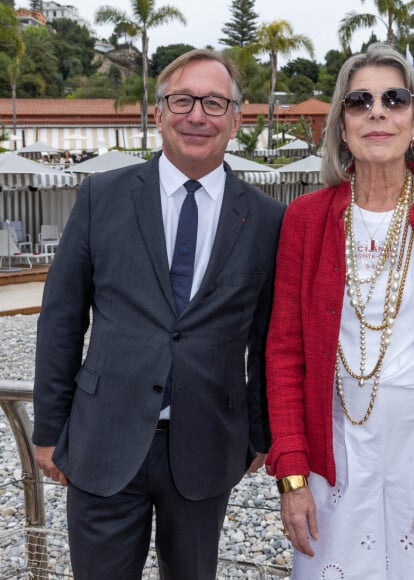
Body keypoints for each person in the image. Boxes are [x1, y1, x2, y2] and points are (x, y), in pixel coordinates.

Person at [33, 48, 285, 580]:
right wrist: (49, 428)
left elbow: (268, 338)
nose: (197, 115)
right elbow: (61, 318)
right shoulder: (102, 196)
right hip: (102, 439)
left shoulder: (267, 219)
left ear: (236, 119)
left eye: (214, 103)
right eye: (182, 100)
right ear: (158, 113)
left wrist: (259, 434)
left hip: (208, 448)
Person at [265, 43, 414, 579]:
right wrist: (293, 477)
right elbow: (283, 354)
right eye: (359, 101)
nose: (377, 111)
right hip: (335, 452)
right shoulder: (305, 218)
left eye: (394, 99)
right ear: (341, 127)